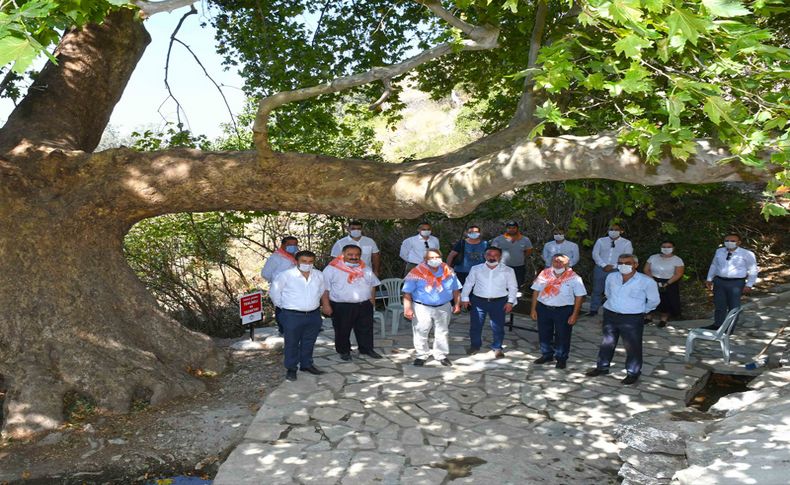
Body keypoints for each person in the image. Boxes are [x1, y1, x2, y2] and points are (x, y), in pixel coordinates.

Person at [585, 254, 659, 385]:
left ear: (635, 264)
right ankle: (602, 367)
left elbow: (654, 300)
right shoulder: (611, 277)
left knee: (632, 346)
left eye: (627, 263)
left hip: (632, 318)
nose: (623, 265)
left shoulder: (646, 281)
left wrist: (641, 310)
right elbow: (607, 293)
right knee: (607, 342)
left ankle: (633, 372)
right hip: (611, 314)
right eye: (620, 263)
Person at [269, 250, 331, 381]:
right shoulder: (285, 275)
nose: (307, 264)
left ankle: (306, 364)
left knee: (309, 341)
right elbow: (275, 294)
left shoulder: (319, 275)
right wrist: (286, 307)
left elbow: (321, 291)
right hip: (292, 315)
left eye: (310, 262)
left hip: (313, 315)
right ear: (296, 261)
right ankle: (291, 368)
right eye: (304, 261)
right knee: (291, 342)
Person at [402, 249, 462, 367]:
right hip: (421, 307)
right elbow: (407, 292)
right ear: (425, 260)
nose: (435, 260)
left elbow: (456, 289)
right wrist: (407, 308)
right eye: (431, 258)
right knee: (421, 331)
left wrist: (457, 304)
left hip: (443, 306)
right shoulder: (416, 272)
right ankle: (422, 355)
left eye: (437, 257)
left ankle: (441, 355)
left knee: (442, 332)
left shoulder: (449, 272)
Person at [323, 245, 383, 361]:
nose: (354, 257)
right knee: (342, 329)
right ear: (343, 254)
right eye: (350, 254)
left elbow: (373, 285)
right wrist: (326, 305)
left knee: (366, 329)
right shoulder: (331, 269)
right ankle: (344, 351)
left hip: (364, 304)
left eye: (357, 255)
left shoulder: (365, 268)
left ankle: (366, 349)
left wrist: (372, 301)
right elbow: (324, 289)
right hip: (342, 306)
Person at [529, 254, 586, 369]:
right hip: (544, 308)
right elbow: (536, 291)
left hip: (563, 310)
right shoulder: (544, 274)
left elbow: (579, 296)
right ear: (551, 262)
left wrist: (575, 314)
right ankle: (547, 355)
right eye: (556, 261)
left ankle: (561, 358)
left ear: (567, 264)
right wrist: (533, 309)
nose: (558, 264)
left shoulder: (574, 278)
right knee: (544, 333)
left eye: (562, 262)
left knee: (563, 335)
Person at [460, 247, 518, 358]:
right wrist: (465, 298)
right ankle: (475, 346)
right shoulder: (476, 269)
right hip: (478, 301)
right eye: (489, 254)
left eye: (495, 255)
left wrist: (510, 302)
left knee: (498, 326)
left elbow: (513, 287)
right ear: (484, 256)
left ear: (500, 257)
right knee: (476, 326)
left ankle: (497, 347)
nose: (492, 257)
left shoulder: (508, 270)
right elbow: (468, 284)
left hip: (499, 302)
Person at [704, 234, 759, 331]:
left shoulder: (747, 253)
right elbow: (714, 265)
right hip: (719, 281)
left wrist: (749, 284)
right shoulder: (719, 251)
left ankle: (729, 328)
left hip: (736, 283)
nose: (729, 242)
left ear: (739, 242)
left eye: (732, 241)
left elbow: (753, 270)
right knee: (719, 305)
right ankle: (718, 325)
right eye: (727, 240)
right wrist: (709, 278)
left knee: (733, 306)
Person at [588, 224, 633, 316]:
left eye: (616, 229)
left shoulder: (626, 243)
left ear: (621, 231)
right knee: (597, 290)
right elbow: (595, 254)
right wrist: (603, 265)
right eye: (611, 229)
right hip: (600, 268)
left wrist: (613, 266)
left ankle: (613, 311)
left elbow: (627, 257)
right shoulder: (601, 241)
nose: (613, 231)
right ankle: (593, 310)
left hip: (617, 269)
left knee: (614, 291)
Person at [261, 236, 299, 334]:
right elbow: (265, 274)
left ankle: (293, 328)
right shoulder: (276, 257)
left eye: (295, 245)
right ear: (283, 245)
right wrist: (276, 282)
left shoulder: (295, 256)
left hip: (294, 288)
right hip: (280, 288)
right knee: (281, 308)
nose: (293, 247)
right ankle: (283, 329)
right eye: (290, 245)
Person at [644, 241, 684, 327]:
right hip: (652, 280)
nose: (666, 248)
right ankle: (648, 317)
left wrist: (667, 283)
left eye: (669, 247)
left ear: (673, 248)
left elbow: (678, 273)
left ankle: (663, 320)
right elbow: (646, 270)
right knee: (649, 299)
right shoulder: (653, 257)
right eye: (664, 246)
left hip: (670, 282)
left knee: (666, 301)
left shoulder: (677, 260)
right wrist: (653, 281)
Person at [490, 220, 533, 288]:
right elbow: (493, 252)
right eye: (509, 228)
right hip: (503, 266)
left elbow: (529, 251)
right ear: (506, 229)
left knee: (517, 284)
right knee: (503, 284)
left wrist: (521, 257)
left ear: (517, 228)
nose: (511, 229)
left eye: (514, 228)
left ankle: (515, 298)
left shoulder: (525, 239)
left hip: (519, 267)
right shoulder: (498, 239)